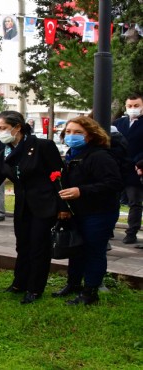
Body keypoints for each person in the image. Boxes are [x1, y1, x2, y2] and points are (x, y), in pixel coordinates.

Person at [0, 111, 67, 304]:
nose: (0, 132)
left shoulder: (42, 146)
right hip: (23, 207)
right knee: (22, 245)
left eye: (3, 128)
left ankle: (34, 289)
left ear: (17, 127)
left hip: (44, 205)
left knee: (38, 248)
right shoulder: (5, 153)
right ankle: (19, 283)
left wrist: (63, 206)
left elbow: (59, 178)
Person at [51, 116, 122, 305]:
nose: (71, 136)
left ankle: (90, 292)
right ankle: (73, 284)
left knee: (93, 251)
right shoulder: (72, 153)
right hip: (78, 211)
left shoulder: (100, 156)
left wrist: (81, 191)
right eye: (69, 132)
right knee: (76, 249)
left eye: (78, 132)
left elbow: (113, 183)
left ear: (90, 135)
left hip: (99, 212)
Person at [113, 94, 143, 245]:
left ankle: (131, 232)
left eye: (136, 106)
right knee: (112, 200)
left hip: (136, 168)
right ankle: (109, 228)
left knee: (134, 202)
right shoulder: (118, 123)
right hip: (118, 168)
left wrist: (139, 161)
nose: (133, 109)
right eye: (130, 106)